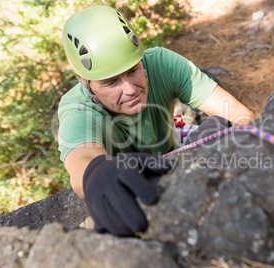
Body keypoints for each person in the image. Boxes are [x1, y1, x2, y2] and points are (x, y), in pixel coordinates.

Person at [58, 5, 255, 237]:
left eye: (133, 70)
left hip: (175, 149)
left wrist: (230, 132)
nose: (130, 89)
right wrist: (97, 174)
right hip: (130, 178)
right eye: (111, 82)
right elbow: (81, 159)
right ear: (85, 82)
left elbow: (238, 112)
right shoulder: (78, 109)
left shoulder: (162, 63)